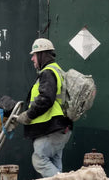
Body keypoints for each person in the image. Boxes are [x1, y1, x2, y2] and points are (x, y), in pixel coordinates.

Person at [15, 38, 73, 177]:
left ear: (42, 55)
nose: (32, 58)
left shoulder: (48, 72)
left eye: (34, 55)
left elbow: (45, 99)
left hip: (52, 129)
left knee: (39, 158)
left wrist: (29, 115)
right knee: (55, 165)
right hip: (61, 128)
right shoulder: (57, 71)